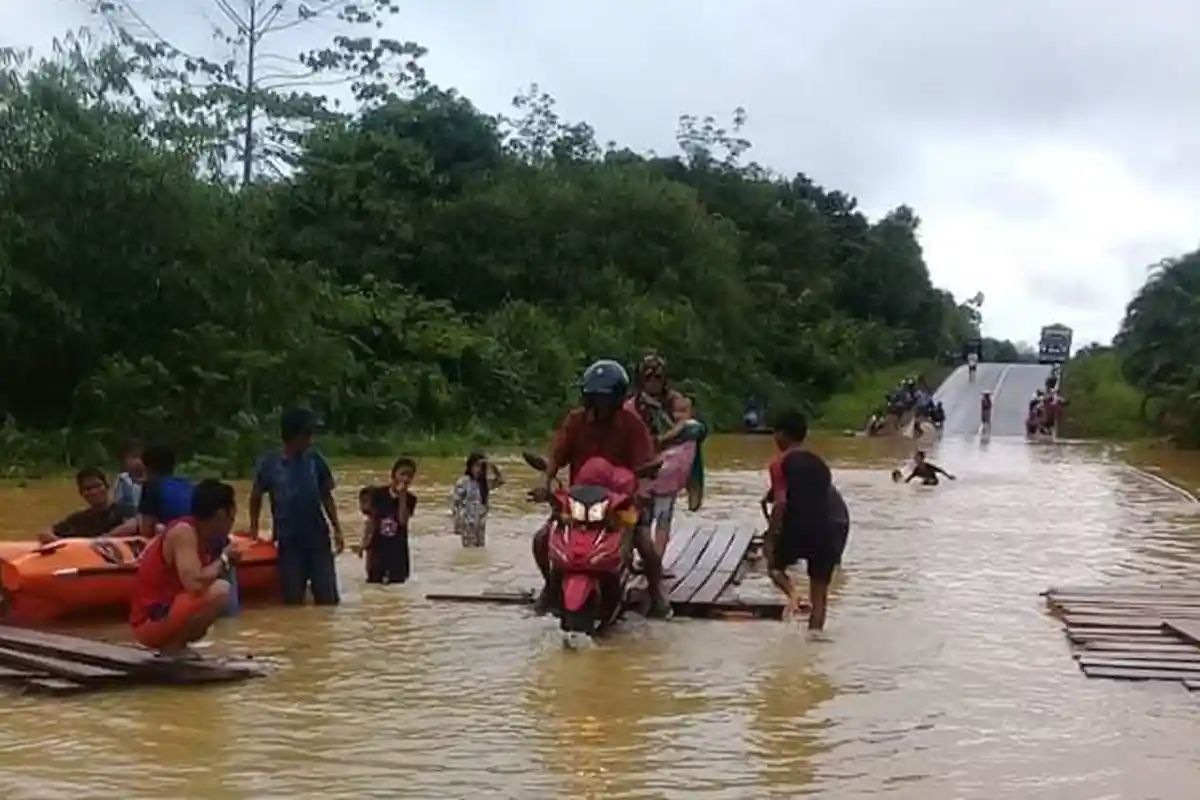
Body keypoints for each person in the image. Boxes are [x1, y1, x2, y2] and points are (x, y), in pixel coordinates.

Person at [532, 359, 670, 618]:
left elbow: (647, 464)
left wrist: (642, 492)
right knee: (541, 540)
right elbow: (555, 459)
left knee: (646, 546)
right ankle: (550, 586)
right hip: (578, 502)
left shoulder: (632, 424)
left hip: (620, 503)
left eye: (605, 399)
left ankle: (656, 592)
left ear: (617, 398)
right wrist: (545, 484)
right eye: (595, 398)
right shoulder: (575, 421)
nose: (600, 405)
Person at [129, 479, 240, 656]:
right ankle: (174, 647)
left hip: (163, 613)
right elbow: (194, 584)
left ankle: (176, 646)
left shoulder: (205, 536)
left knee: (219, 591)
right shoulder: (184, 532)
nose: (232, 522)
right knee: (220, 590)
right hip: (151, 620)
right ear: (221, 514)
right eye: (232, 516)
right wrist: (224, 559)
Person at [762, 410, 850, 630]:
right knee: (820, 598)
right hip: (827, 528)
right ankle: (814, 646)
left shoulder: (779, 463)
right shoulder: (820, 464)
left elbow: (781, 503)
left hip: (799, 527)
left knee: (774, 568)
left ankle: (794, 596)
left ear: (781, 435)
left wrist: (771, 538)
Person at [249, 408, 344, 606]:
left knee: (328, 601)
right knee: (292, 602)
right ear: (292, 436)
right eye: (306, 435)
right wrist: (254, 529)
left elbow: (326, 496)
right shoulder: (270, 464)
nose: (310, 440)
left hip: (318, 538)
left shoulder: (315, 460)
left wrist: (337, 529)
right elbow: (256, 496)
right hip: (288, 541)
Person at [629, 354, 690, 555]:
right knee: (642, 517)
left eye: (658, 378)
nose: (654, 382)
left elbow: (684, 426)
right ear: (641, 379)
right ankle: (646, 558)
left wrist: (660, 441)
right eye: (649, 378)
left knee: (663, 516)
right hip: (643, 467)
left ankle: (656, 560)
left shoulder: (675, 401)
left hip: (668, 466)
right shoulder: (633, 405)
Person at [40, 467, 139, 543]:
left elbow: (135, 524)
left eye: (97, 486)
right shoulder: (78, 519)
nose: (94, 492)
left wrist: (103, 539)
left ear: (107, 487)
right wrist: (61, 543)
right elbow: (45, 533)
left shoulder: (125, 509)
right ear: (82, 494)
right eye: (88, 489)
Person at [361, 457, 417, 584]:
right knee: (374, 588)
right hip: (378, 550)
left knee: (397, 589)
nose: (406, 479)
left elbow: (402, 521)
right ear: (393, 475)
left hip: (398, 551)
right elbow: (371, 522)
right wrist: (365, 545)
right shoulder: (377, 494)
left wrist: (402, 497)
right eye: (402, 474)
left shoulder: (411, 499)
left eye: (410, 476)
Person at [137, 444, 195, 540]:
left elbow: (146, 531)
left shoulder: (152, 486)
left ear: (147, 468)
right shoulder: (187, 484)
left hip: (172, 539)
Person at [452, 452, 503, 548]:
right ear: (470, 467)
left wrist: (492, 465)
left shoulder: (485, 484)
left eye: (481, 467)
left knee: (479, 551)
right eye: (476, 466)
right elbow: (456, 504)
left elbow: (501, 480)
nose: (479, 469)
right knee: (470, 551)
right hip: (467, 524)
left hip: (481, 524)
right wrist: (457, 523)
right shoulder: (463, 482)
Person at [112, 440, 145, 520]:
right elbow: (119, 503)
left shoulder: (152, 480)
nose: (138, 461)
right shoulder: (123, 479)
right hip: (129, 519)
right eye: (133, 457)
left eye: (141, 457)